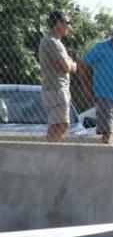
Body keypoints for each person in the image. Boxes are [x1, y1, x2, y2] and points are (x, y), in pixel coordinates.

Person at [37, 10, 77, 142]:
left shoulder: (54, 42)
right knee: (61, 124)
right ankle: (48, 153)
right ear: (58, 23)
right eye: (67, 22)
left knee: (59, 123)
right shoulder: (52, 42)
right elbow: (66, 66)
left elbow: (64, 64)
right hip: (56, 88)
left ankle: (50, 150)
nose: (68, 26)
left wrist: (67, 63)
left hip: (56, 88)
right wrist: (71, 64)